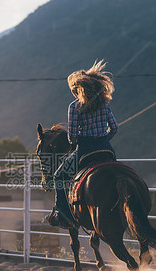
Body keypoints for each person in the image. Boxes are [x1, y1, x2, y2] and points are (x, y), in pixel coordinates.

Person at [46, 60, 118, 228]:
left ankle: (63, 215)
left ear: (77, 90)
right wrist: (104, 138)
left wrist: (76, 141)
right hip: (107, 149)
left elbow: (72, 136)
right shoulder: (105, 104)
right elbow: (114, 128)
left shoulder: (74, 107)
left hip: (85, 150)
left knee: (59, 176)